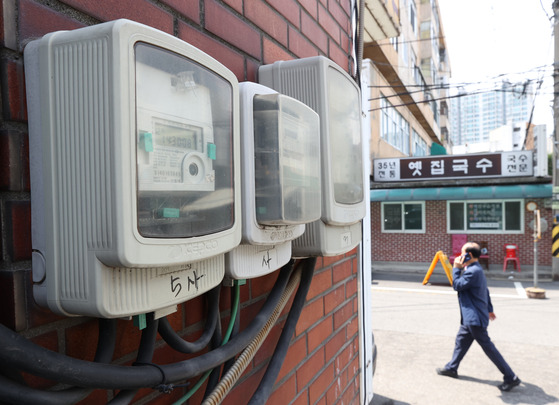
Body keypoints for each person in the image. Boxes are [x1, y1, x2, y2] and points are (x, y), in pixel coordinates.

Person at [436, 242, 521, 392]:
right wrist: (489, 309)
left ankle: (511, 377)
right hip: (471, 317)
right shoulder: (475, 269)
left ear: (468, 255)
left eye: (461, 253)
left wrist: (456, 268)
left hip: (474, 319)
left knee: (489, 348)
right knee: (461, 341)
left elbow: (457, 285)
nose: (458, 256)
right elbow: (485, 291)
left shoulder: (472, 271)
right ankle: (452, 368)